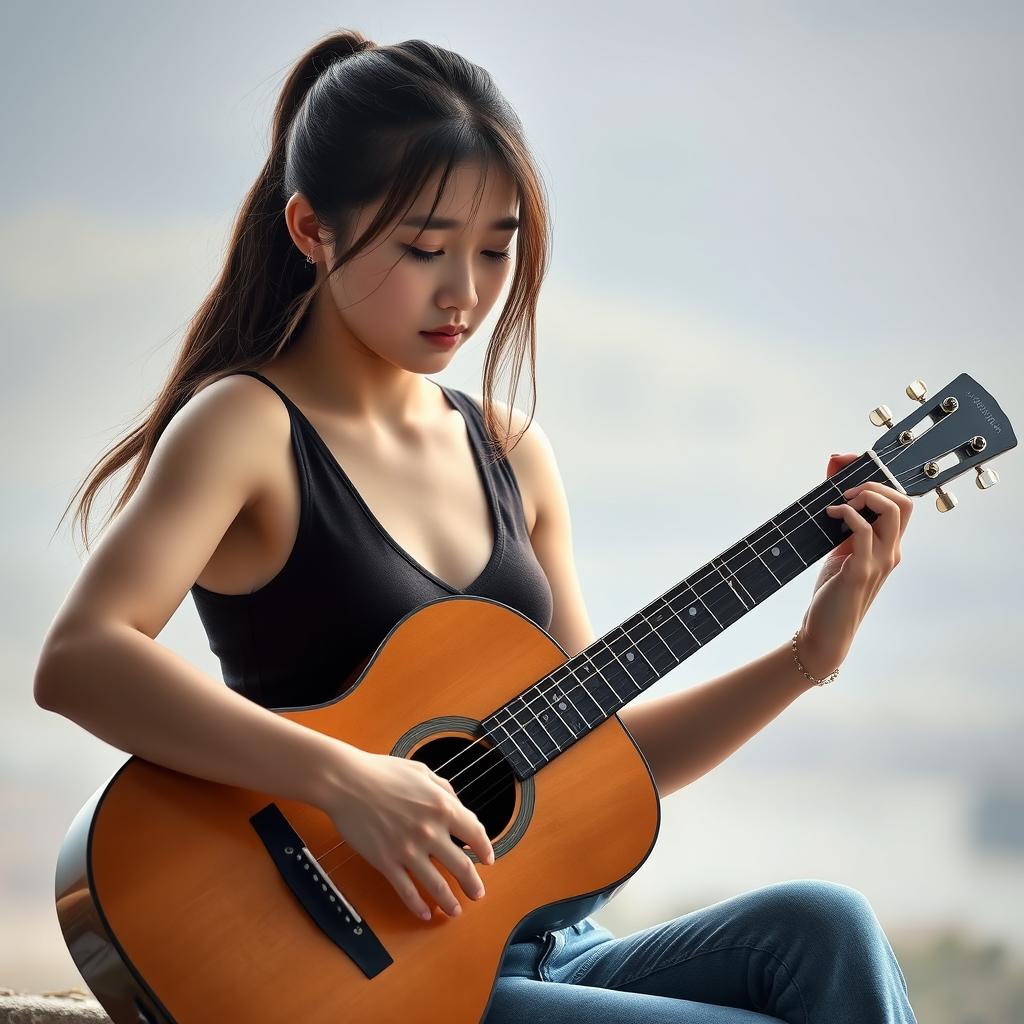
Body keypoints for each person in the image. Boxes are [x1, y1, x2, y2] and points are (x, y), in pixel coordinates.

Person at [34, 28, 917, 1023]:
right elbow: (80, 657)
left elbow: (601, 756)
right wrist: (349, 780)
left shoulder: (511, 452)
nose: (466, 292)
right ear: (310, 229)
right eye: (424, 248)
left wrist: (804, 657)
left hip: (548, 944)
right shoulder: (246, 425)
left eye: (496, 248)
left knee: (829, 925)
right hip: (379, 974)